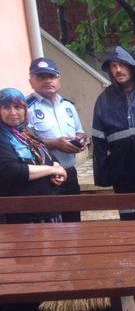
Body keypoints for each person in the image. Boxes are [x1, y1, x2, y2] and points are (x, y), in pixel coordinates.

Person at [92, 46, 135, 220]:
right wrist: (103, 175)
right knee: (131, 220)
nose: (118, 70)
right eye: (113, 66)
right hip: (123, 172)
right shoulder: (104, 100)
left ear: (132, 66)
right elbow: (98, 139)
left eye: (122, 64)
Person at [26, 57, 85, 222]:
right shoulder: (25, 108)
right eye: (41, 76)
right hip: (45, 178)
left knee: (74, 222)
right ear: (31, 81)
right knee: (52, 227)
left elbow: (80, 132)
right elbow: (23, 143)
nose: (47, 80)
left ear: (59, 79)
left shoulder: (68, 106)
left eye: (51, 76)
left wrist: (79, 141)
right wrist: (55, 144)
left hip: (70, 173)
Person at [0, 88, 67, 223]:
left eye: (18, 107)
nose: (13, 112)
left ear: (25, 109)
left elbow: (49, 158)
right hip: (22, 217)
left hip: (47, 210)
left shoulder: (26, 133)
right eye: (6, 107)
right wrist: (52, 170)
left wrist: (59, 170)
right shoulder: (2, 136)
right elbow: (11, 170)